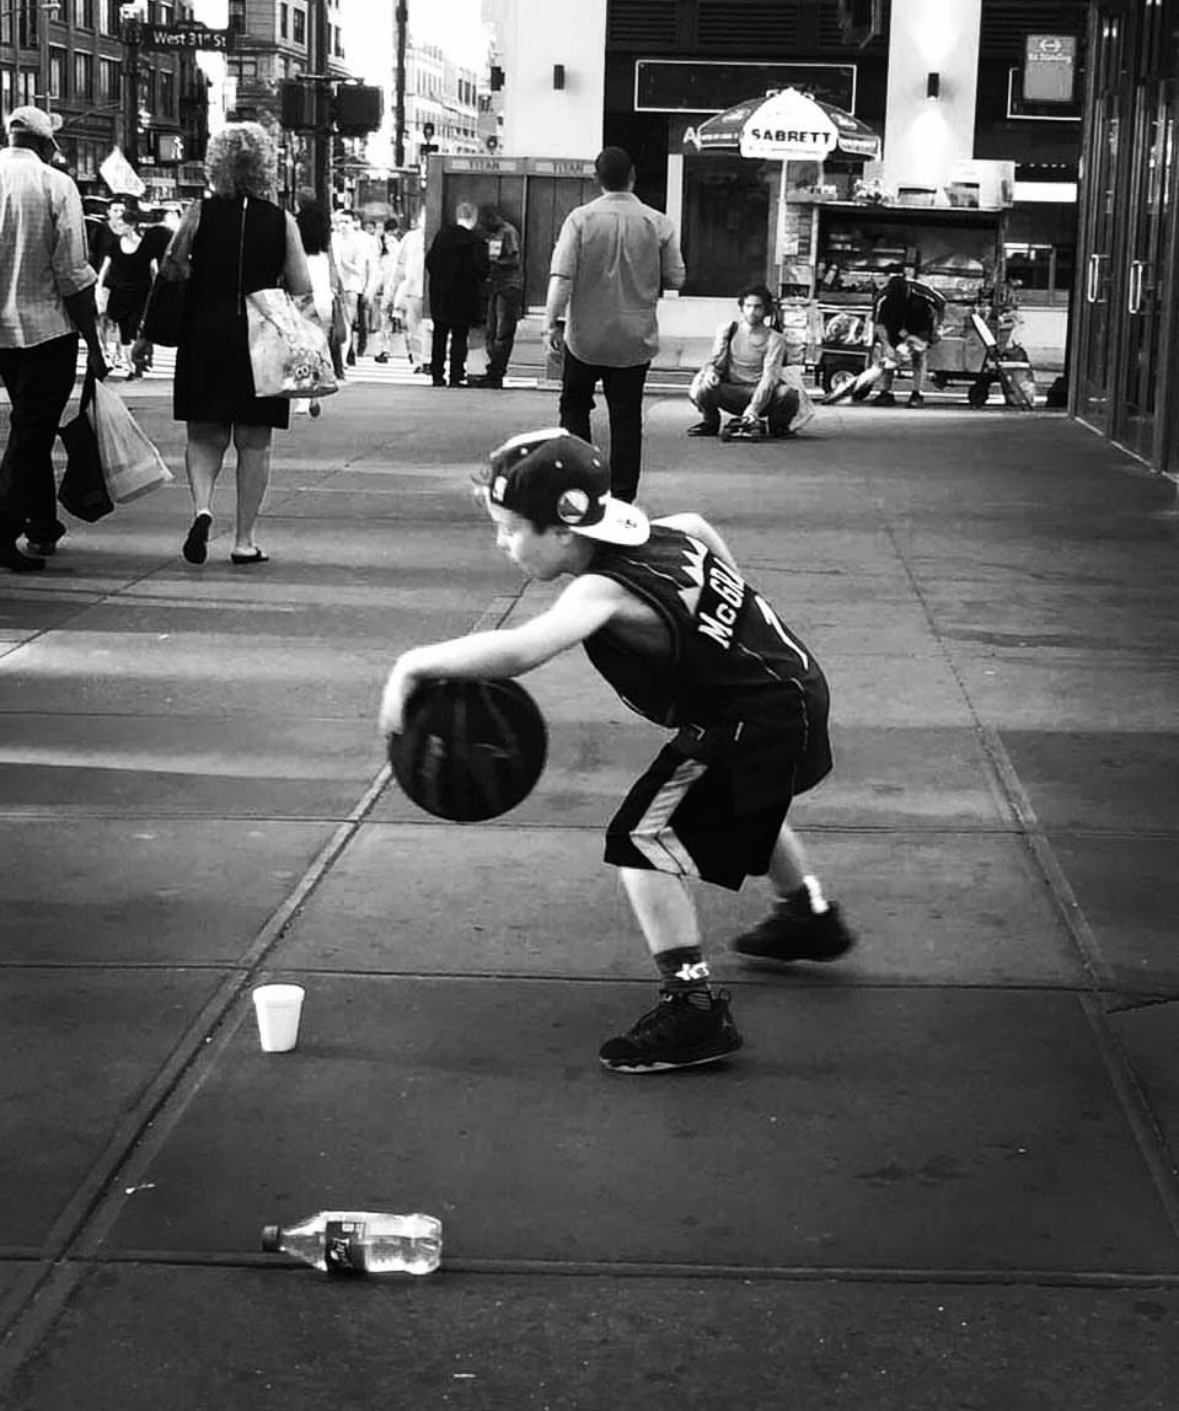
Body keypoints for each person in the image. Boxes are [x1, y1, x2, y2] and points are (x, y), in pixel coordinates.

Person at [378, 428, 855, 1073]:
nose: (502, 542)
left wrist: (412, 665)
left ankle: (691, 1007)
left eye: (513, 528)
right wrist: (729, 618)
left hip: (756, 717)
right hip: (789, 686)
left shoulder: (600, 590)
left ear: (566, 530)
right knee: (737, 796)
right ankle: (807, 914)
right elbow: (703, 527)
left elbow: (523, 650)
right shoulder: (671, 532)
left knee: (642, 841)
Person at [167, 122, 312, 566]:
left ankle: (203, 508)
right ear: (265, 166)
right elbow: (301, 284)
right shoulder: (280, 220)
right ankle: (244, 539)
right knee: (255, 443)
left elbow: (173, 267)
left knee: (205, 435)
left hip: (204, 333)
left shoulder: (198, 213)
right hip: (260, 338)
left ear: (216, 164)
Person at [543, 146, 685, 503]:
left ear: (597, 179)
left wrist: (551, 323)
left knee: (574, 405)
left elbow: (562, 277)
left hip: (585, 337)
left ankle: (582, 484)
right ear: (633, 175)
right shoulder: (658, 222)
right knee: (626, 418)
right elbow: (676, 277)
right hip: (635, 340)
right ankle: (622, 497)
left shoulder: (579, 219)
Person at [0, 105, 107, 572]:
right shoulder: (55, 185)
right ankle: (4, 528)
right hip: (46, 329)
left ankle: (42, 523)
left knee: (31, 427)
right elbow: (71, 272)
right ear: (45, 145)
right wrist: (94, 340)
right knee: (31, 431)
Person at [687, 283, 814, 441]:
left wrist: (754, 408)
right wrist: (712, 373)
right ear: (741, 308)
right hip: (732, 391)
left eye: (757, 307)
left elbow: (770, 377)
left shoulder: (775, 339)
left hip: (763, 394)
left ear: (766, 310)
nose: (752, 312)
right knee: (704, 386)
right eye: (748, 306)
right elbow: (716, 362)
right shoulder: (728, 330)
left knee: (788, 394)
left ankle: (779, 427)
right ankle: (710, 423)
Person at [424, 201, 488, 387]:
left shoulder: (441, 236)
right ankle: (456, 374)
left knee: (440, 335)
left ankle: (437, 374)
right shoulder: (475, 241)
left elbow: (430, 262)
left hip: (440, 295)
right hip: (463, 296)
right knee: (460, 336)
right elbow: (482, 271)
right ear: (474, 218)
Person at [866, 264, 945, 407]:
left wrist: (938, 327)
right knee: (888, 356)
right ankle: (885, 393)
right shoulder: (884, 299)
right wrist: (888, 345)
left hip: (920, 325)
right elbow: (879, 325)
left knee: (918, 357)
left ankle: (917, 394)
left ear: (909, 290)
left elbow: (941, 303)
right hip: (894, 326)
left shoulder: (921, 293)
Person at [95, 202, 155, 378]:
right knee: (124, 329)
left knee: (134, 326)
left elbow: (153, 269)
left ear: (132, 225)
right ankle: (130, 365)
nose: (120, 227)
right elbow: (106, 265)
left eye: (124, 224)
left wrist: (157, 289)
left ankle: (135, 362)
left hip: (139, 293)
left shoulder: (145, 245)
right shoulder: (115, 244)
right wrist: (99, 284)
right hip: (120, 293)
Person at [293, 193, 339, 418]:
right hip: (325, 302)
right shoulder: (326, 251)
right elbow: (334, 277)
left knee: (301, 351)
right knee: (317, 350)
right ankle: (312, 394)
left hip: (304, 302)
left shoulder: (297, 252)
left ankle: (303, 397)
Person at [468, 204, 523, 389]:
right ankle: (493, 368)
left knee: (502, 330)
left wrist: (496, 262)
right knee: (491, 330)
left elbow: (514, 259)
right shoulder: (493, 234)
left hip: (508, 284)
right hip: (495, 285)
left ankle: (497, 370)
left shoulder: (508, 232)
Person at [331, 210, 371, 366]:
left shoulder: (358, 242)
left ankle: (342, 358)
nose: (343, 226)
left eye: (346, 222)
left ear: (354, 223)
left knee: (346, 323)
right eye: (340, 222)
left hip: (350, 287)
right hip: (334, 286)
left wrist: (342, 263)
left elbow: (360, 269)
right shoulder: (334, 239)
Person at [391, 208, 427, 372]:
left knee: (431, 326)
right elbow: (400, 263)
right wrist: (393, 287)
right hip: (413, 288)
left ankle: (428, 358)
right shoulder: (411, 238)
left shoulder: (437, 235)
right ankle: (419, 360)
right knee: (414, 326)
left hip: (432, 288)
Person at [366, 219, 401, 363]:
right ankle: (413, 353)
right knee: (399, 320)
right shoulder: (396, 246)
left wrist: (371, 291)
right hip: (396, 288)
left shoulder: (380, 245)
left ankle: (384, 350)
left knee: (385, 319)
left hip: (387, 287)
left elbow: (378, 272)